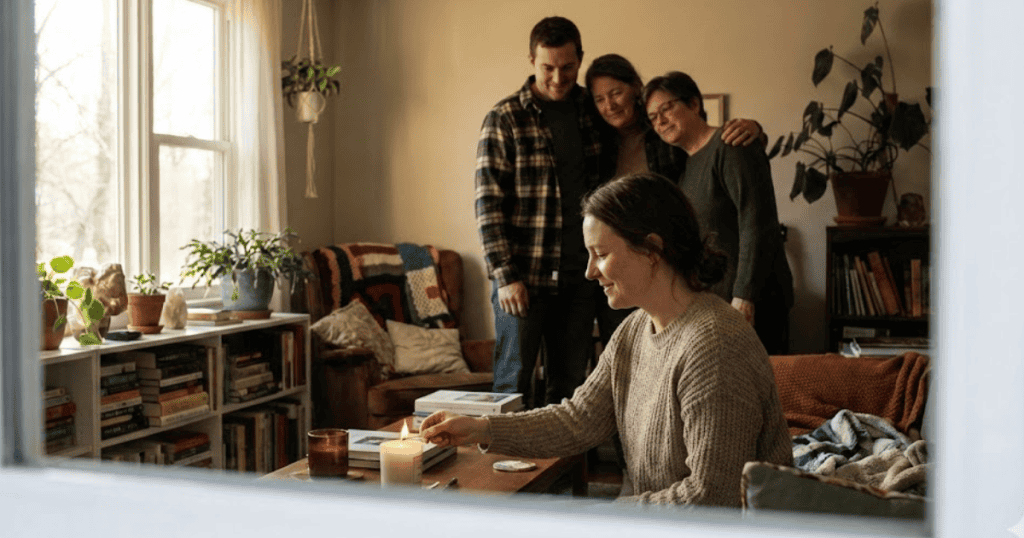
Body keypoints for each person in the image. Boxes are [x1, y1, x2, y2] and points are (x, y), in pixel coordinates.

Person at [425, 173, 793, 507]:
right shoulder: (634, 330)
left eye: (600, 254)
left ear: (651, 249)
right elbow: (578, 420)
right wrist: (480, 428)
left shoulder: (714, 345)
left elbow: (715, 494)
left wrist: (607, 517)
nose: (589, 271)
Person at [584, 53, 767, 349]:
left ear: (635, 89)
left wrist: (755, 129)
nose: (610, 105)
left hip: (668, 276)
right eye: (600, 99)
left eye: (616, 93)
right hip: (621, 271)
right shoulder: (596, 142)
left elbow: (714, 150)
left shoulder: (667, 139)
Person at [475, 16, 604, 407]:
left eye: (567, 67)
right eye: (548, 67)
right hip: (522, 279)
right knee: (511, 384)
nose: (558, 77)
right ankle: (502, 468)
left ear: (580, 59)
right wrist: (506, 277)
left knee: (569, 390)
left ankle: (561, 470)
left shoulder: (593, 112)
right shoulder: (505, 117)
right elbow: (487, 206)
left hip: (581, 277)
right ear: (532, 60)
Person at [643, 71, 794, 355]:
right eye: (653, 117)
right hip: (716, 302)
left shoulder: (731, 145)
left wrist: (745, 296)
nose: (660, 121)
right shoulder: (685, 167)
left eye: (667, 108)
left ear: (694, 104)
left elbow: (757, 222)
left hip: (754, 300)